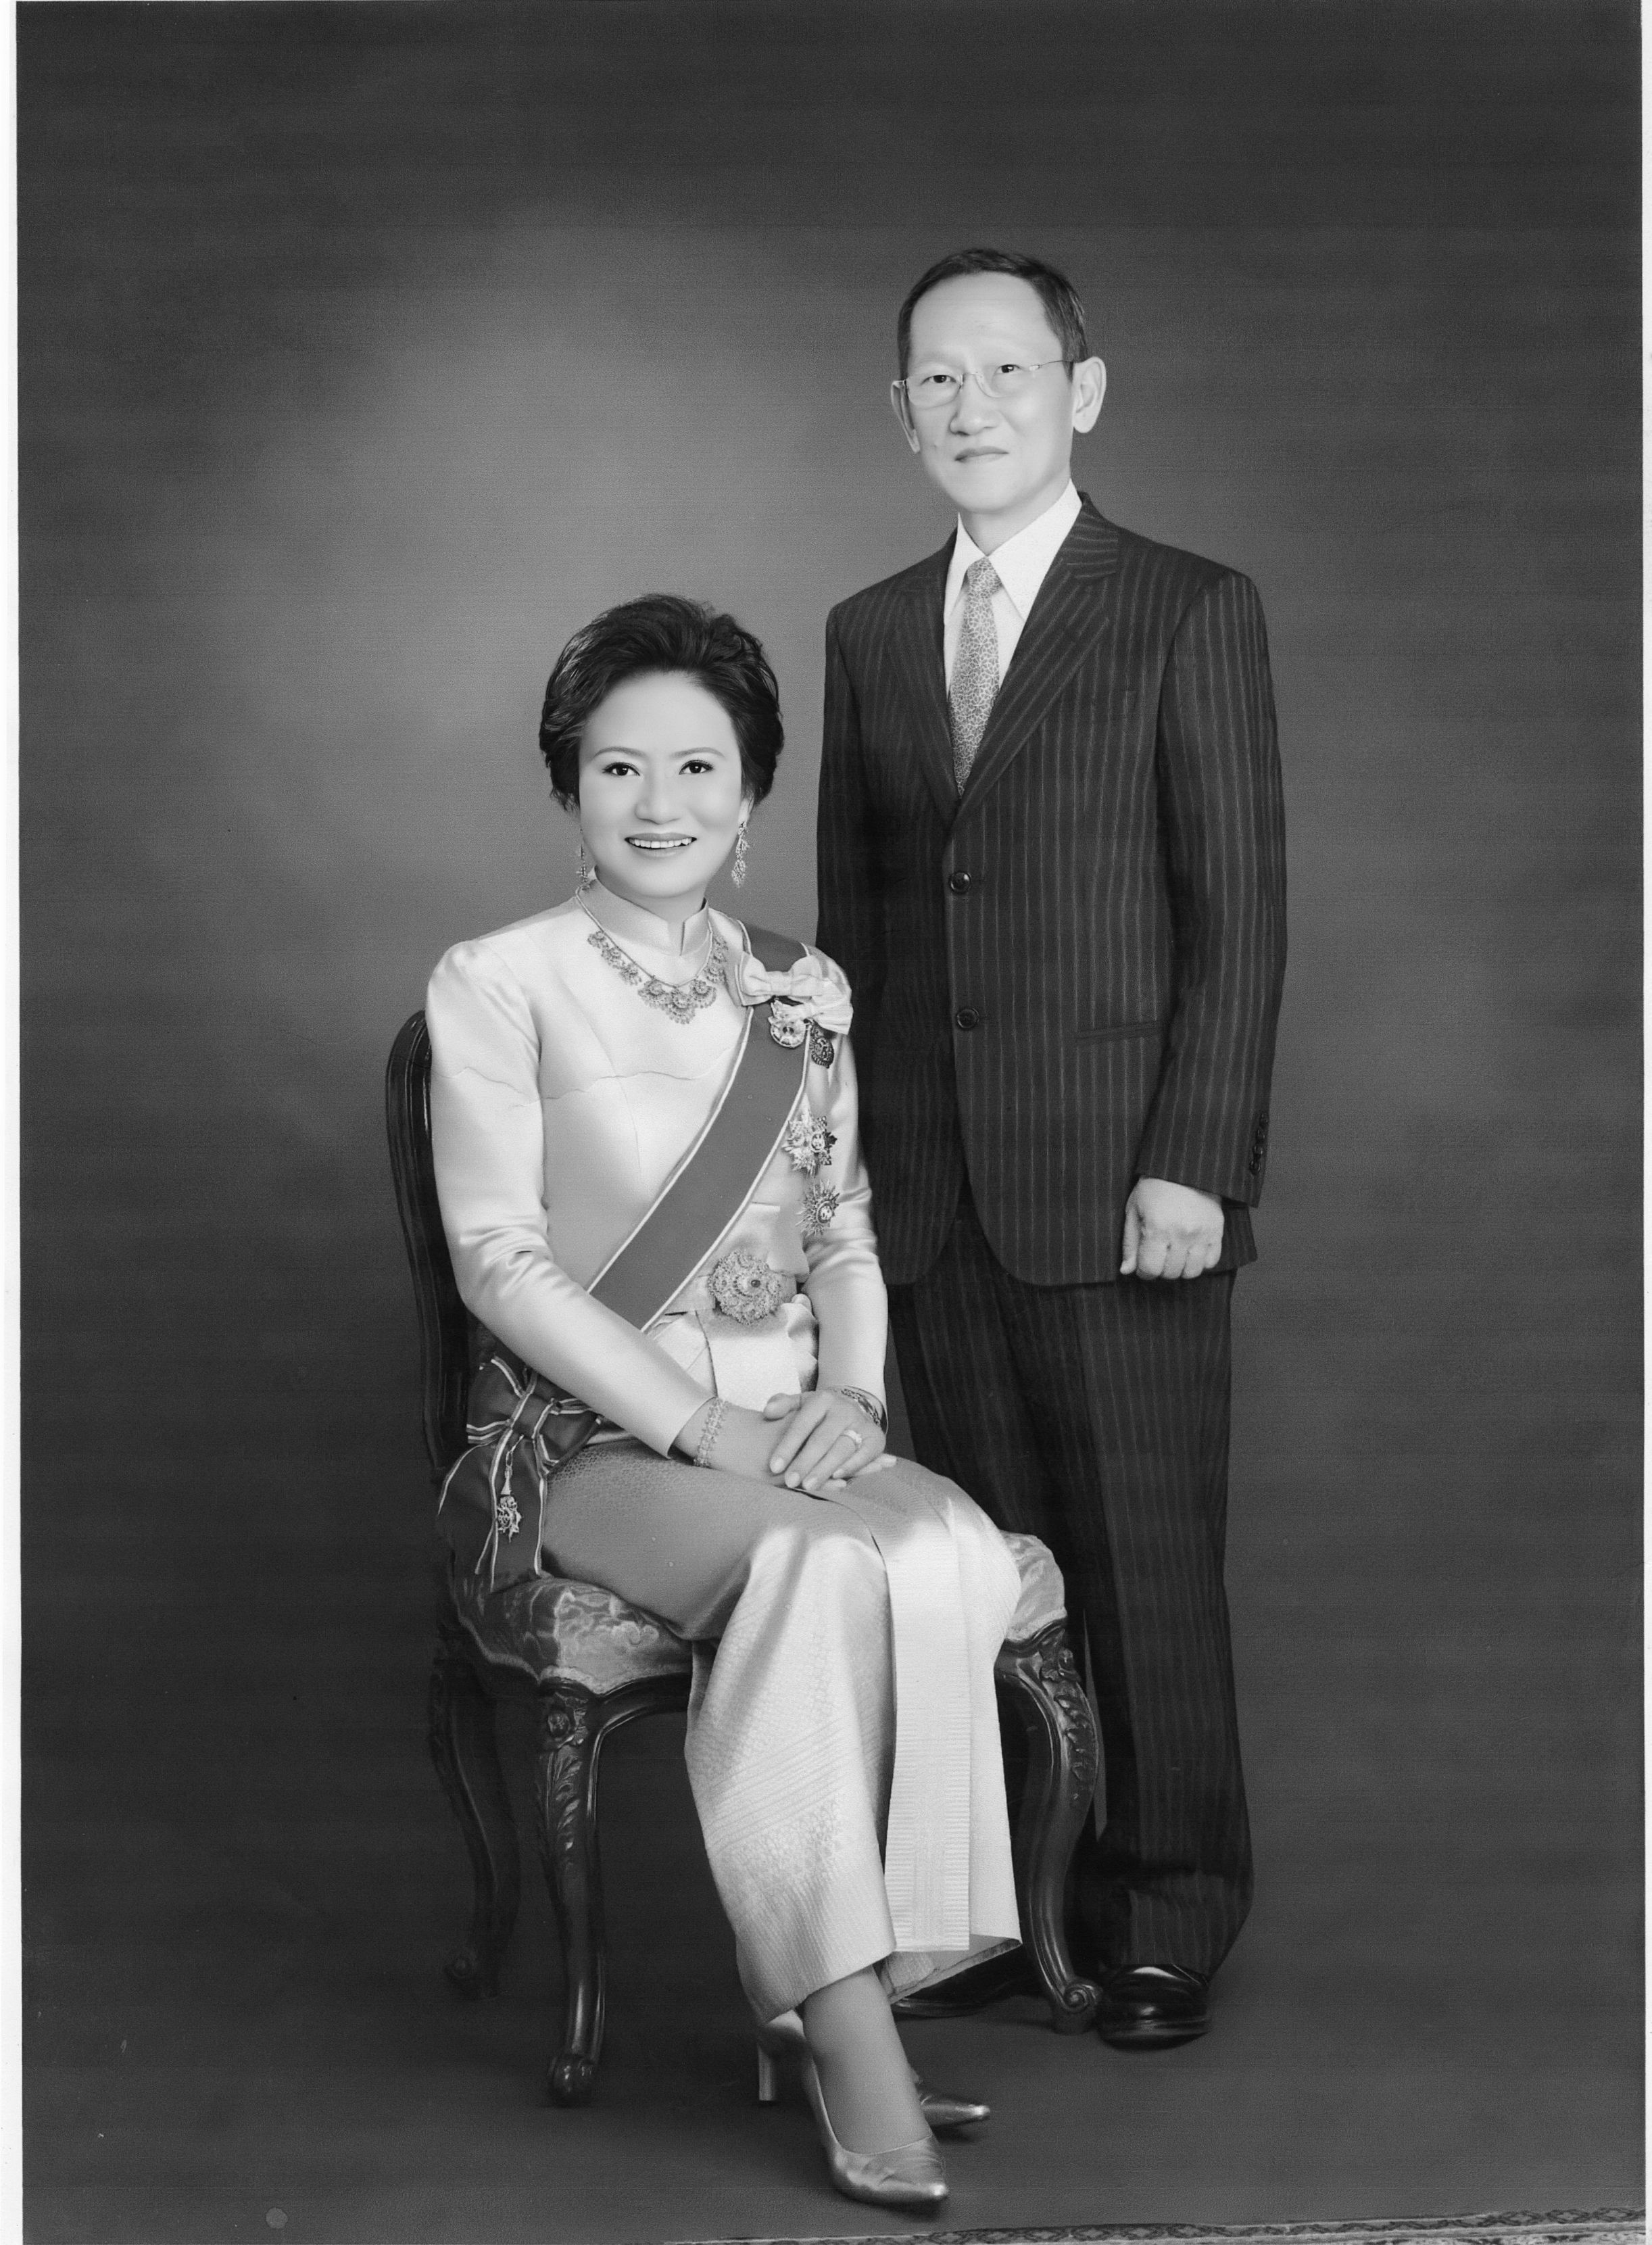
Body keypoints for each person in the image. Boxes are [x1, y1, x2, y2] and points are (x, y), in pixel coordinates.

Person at [424, 593, 1028, 2211]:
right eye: (620, 766)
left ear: (751, 790)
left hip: (790, 1421)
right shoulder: (499, 980)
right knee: (813, 1563)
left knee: (956, 1549)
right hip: (592, 1445)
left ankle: (871, 1972)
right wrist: (713, 1432)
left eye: (698, 766)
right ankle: (843, 2029)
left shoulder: (800, 984)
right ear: (569, 784)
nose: (659, 802)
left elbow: (846, 1229)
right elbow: (499, 1262)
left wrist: (855, 1394)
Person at [817, 248, 1286, 2050]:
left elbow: (1235, 911)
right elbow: (857, 931)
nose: (972, 407)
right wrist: (841, 1183)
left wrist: (1197, 1158)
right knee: (974, 1567)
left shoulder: (1184, 608)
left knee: (1139, 1560)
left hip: (1117, 1184)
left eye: (1006, 372)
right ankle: (1009, 1907)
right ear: (900, 412)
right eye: (936, 380)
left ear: (1080, 392)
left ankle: (1163, 1916)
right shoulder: (868, 629)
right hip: (927, 1191)